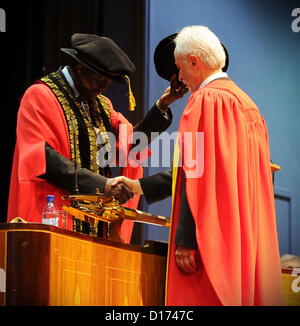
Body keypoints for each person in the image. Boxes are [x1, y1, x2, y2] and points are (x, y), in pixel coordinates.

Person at [112, 26, 284, 305]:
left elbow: (196, 172)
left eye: (180, 68)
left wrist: (187, 239)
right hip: (243, 241)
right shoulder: (249, 107)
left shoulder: (205, 100)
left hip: (210, 243)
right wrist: (139, 186)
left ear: (194, 61)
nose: (179, 78)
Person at [7, 33, 186, 243]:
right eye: (100, 80)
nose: (104, 88)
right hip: (52, 212)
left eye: (108, 82)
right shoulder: (40, 95)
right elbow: (44, 159)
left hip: (92, 220)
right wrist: (104, 183)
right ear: (80, 68)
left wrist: (163, 105)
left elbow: (131, 145)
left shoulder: (101, 104)